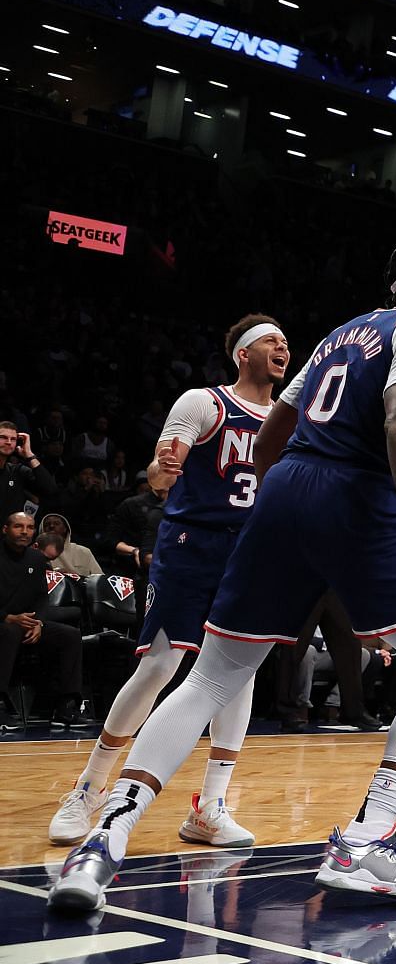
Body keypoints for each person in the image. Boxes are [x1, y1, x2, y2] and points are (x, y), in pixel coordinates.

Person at [51, 239, 396, 913]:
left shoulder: (344, 332)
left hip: (282, 491)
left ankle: (102, 841)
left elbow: (275, 427)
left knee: (210, 677)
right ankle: (364, 841)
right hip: (356, 493)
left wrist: (288, 494)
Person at [47, 315, 290, 849]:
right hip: (192, 544)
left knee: (239, 672)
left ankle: (210, 807)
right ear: (243, 353)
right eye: (271, 340)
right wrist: (160, 471)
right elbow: (159, 476)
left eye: (285, 342)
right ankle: (88, 790)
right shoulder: (204, 402)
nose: (283, 347)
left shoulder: (289, 419)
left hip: (251, 551)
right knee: (161, 665)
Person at [1, 511, 87, 729]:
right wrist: (8, 617)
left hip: (28, 622)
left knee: (69, 635)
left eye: (29, 527)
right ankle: (1, 704)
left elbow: (41, 598)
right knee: (8, 631)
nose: (24, 532)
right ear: (5, 529)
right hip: (5, 621)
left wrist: (39, 622)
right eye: (18, 526)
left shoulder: (37, 559)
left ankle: (66, 705)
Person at [0, 422, 56, 518]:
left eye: (13, 439)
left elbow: (50, 490)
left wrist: (29, 455)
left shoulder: (17, 470)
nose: (9, 442)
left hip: (10, 531)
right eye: (3, 437)